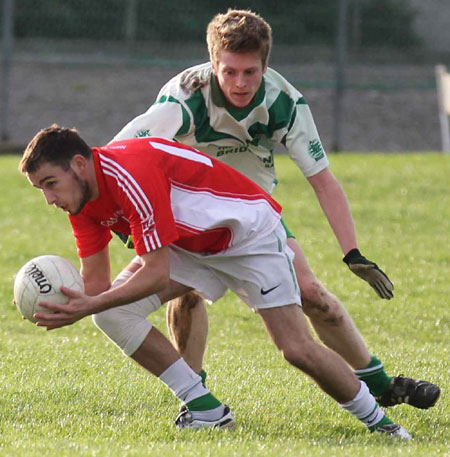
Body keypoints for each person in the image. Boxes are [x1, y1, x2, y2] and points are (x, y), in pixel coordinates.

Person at [112, 9, 440, 411]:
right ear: (213, 63)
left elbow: (322, 180)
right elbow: (120, 154)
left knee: (313, 295)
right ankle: (195, 399)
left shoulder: (284, 101)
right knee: (188, 294)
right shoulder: (184, 96)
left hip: (254, 213)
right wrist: (127, 219)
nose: (240, 83)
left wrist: (352, 251)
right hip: (189, 211)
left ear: (265, 66)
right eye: (229, 72)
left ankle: (381, 384)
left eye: (250, 72)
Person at [20, 125, 412, 438]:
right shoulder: (82, 203)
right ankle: (205, 408)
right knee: (112, 314)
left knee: (295, 349)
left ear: (79, 164)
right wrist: (63, 304)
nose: (49, 199)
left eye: (51, 183)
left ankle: (384, 425)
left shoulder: (129, 175)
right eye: (41, 189)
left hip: (247, 235)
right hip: (191, 246)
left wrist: (87, 305)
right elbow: (97, 286)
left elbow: (153, 274)